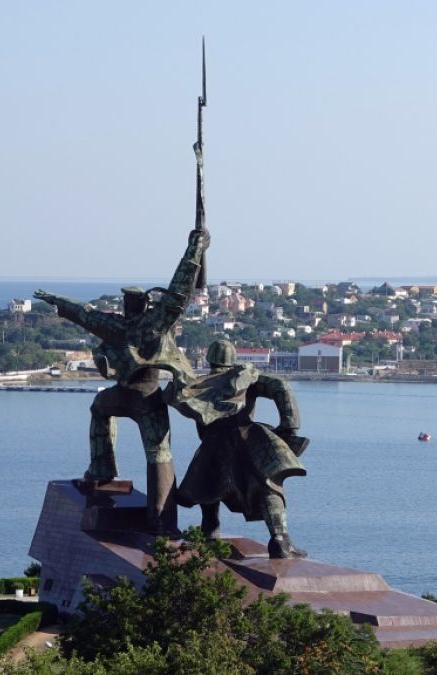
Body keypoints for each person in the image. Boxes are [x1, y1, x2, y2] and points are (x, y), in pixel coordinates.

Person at [34, 229, 209, 534]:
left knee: (100, 408)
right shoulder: (154, 323)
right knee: (159, 454)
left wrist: (56, 300)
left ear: (128, 304)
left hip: (125, 393)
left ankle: (102, 468)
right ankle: (162, 521)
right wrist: (195, 249)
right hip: (147, 398)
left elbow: (84, 314)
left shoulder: (116, 326)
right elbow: (178, 293)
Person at [170, 339, 308, 559]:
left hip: (214, 443)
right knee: (269, 486)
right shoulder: (246, 377)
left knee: (208, 486)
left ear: (209, 359)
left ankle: (209, 532)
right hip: (249, 439)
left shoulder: (198, 385)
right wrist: (289, 426)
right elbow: (280, 386)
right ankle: (280, 539)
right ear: (233, 358)